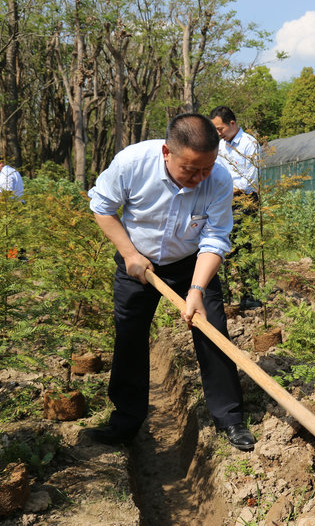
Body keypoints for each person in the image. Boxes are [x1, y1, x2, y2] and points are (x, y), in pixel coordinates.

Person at [86, 113, 255, 451]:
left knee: (212, 331)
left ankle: (230, 418)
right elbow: (102, 207)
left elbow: (216, 237)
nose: (198, 177)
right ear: (167, 152)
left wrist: (196, 290)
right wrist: (130, 254)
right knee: (130, 337)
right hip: (138, 260)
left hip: (192, 262)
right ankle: (125, 422)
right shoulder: (131, 163)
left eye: (205, 169)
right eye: (190, 169)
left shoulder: (218, 179)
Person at [210, 105, 262, 310]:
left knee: (243, 246)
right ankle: (222, 293)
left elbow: (249, 180)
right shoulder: (220, 146)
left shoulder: (250, 144)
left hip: (244, 201)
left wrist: (226, 190)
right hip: (222, 200)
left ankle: (250, 295)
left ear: (232, 124)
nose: (218, 133)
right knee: (219, 243)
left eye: (220, 128)